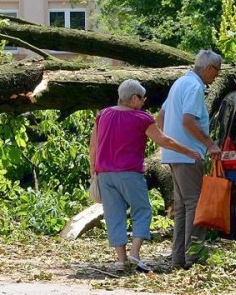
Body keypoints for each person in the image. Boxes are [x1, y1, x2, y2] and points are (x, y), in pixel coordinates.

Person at [90, 79, 202, 274]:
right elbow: (163, 140)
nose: (143, 102)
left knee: (114, 215)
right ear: (134, 98)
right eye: (142, 99)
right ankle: (135, 254)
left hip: (105, 174)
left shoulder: (103, 115)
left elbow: (94, 145)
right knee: (142, 211)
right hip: (130, 173)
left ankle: (121, 261)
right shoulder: (141, 118)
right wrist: (188, 151)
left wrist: (94, 171)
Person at [157, 49, 223, 270]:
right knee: (194, 205)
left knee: (183, 207)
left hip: (173, 154)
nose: (216, 77)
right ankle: (193, 257)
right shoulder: (195, 86)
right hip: (189, 155)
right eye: (217, 72)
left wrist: (170, 142)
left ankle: (179, 259)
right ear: (209, 68)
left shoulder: (179, 83)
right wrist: (210, 144)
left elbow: (161, 117)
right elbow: (188, 121)